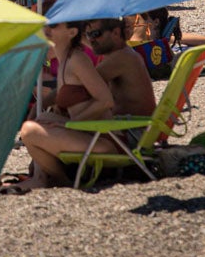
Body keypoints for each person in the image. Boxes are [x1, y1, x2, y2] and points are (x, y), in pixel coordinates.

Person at [13, 19, 155, 190]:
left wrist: (67, 123)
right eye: (88, 35)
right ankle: (43, 177)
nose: (91, 39)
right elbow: (75, 87)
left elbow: (92, 88)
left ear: (116, 33)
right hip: (122, 129)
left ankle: (61, 180)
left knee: (34, 129)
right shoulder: (105, 57)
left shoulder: (121, 57)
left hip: (129, 134)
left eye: (95, 34)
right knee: (43, 120)